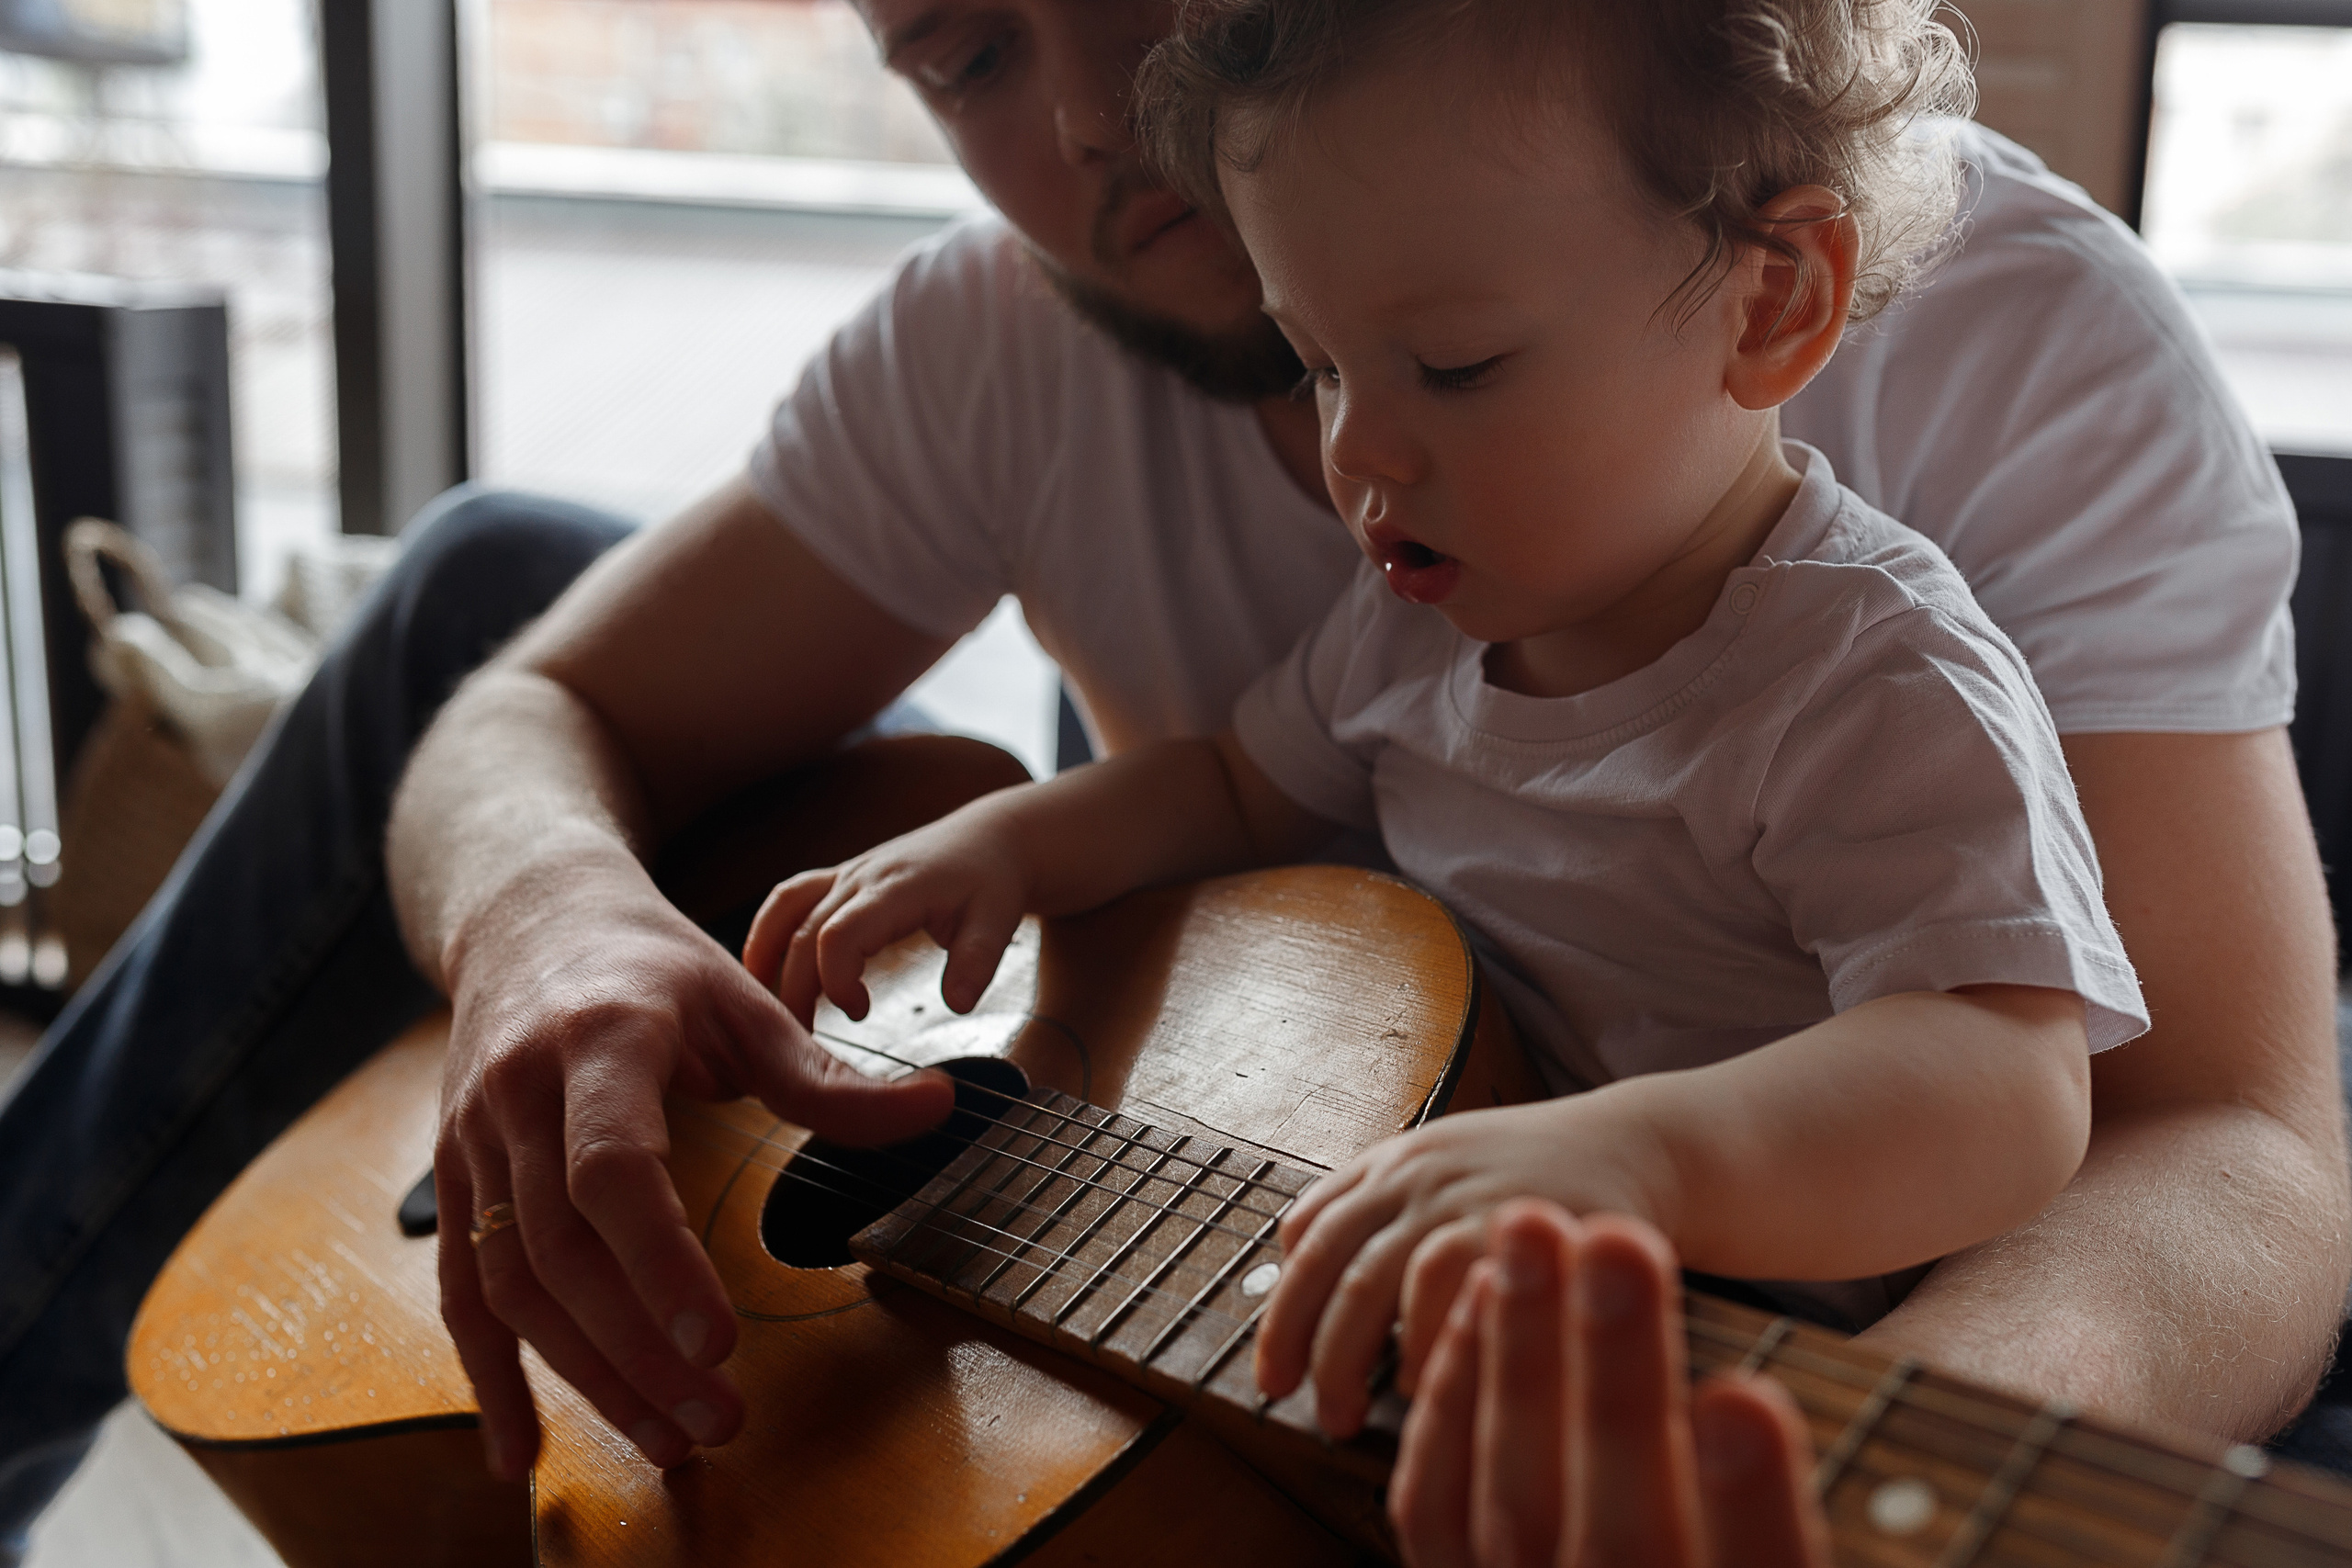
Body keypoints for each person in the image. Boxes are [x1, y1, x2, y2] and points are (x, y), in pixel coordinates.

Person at [0, 0, 2338, 1560]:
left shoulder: (1988, 360)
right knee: (480, 587)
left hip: (1839, 1226)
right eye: (964, 54)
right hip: (1267, 1116)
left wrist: (1829, 1464)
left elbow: (2212, 1128)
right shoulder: (1031, 352)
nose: (1100, 125)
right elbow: (564, 717)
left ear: (1766, 306)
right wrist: (545, 924)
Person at [753, 0, 2145, 1436]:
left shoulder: (1869, 671)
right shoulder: (1423, 617)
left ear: (1774, 299)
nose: (1357, 449)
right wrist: (1009, 849)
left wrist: (1631, 1164)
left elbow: (2009, 1080)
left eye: (1458, 365)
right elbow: (1236, 789)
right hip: (1441, 1346)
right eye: (1325, 363)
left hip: (1721, 1390)